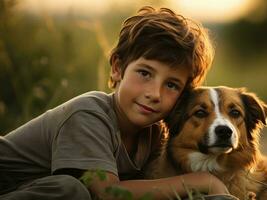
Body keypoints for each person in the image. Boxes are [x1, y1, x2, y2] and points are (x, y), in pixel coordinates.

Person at [0, 6, 231, 200]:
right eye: (145, 73)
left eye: (171, 85)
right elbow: (107, 193)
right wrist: (203, 182)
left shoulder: (154, 136)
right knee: (72, 191)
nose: (154, 94)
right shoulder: (88, 115)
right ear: (118, 68)